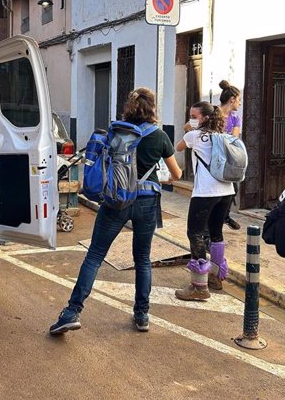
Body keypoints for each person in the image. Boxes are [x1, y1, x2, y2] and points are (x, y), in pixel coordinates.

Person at [49, 88, 182, 335]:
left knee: (95, 256)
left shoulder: (116, 132)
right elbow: (177, 175)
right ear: (152, 109)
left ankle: (71, 312)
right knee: (142, 259)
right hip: (146, 202)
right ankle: (142, 315)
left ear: (129, 108)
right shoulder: (160, 136)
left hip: (115, 200)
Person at [174, 102, 235, 301]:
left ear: (205, 118)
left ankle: (199, 286)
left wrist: (189, 129)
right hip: (227, 191)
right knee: (216, 233)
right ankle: (217, 277)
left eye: (194, 115)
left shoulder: (194, 136)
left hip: (205, 192)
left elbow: (179, 147)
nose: (191, 118)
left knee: (195, 233)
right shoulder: (224, 136)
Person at [218, 80, 242, 230]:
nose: (239, 103)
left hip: (229, 158)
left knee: (233, 189)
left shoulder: (235, 118)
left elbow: (235, 138)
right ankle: (217, 219)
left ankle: (225, 216)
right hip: (214, 159)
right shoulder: (213, 113)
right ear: (232, 99)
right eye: (239, 99)